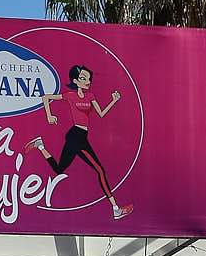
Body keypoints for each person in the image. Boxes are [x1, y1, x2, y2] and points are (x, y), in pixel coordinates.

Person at [27, 65, 132, 220]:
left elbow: (101, 114)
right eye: (83, 78)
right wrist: (49, 115)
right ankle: (115, 209)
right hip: (76, 136)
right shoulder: (70, 95)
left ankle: (40, 145)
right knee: (100, 171)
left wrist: (113, 101)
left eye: (88, 78)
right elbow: (46, 97)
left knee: (59, 169)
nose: (87, 81)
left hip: (81, 136)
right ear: (76, 81)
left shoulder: (90, 96)